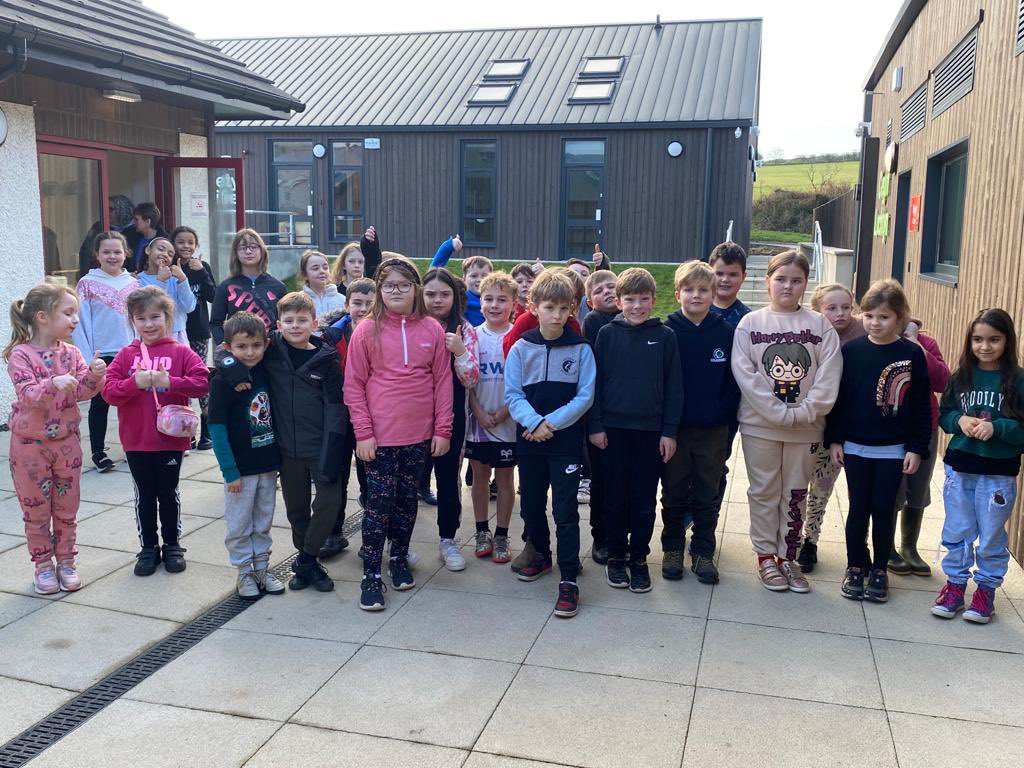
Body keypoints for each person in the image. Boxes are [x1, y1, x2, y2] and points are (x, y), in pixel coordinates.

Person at [345, 256, 453, 611]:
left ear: (415, 289)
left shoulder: (432, 329)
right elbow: (353, 386)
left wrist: (443, 429)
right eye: (389, 285)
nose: (396, 291)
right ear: (379, 289)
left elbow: (442, 381)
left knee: (407, 503)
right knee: (378, 506)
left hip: (419, 436)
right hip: (379, 438)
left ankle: (398, 557)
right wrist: (363, 433)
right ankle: (371, 574)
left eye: (404, 285)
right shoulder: (366, 330)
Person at [731, 250, 842, 593]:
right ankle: (766, 556)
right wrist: (778, 412)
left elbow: (829, 374)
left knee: (794, 493)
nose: (788, 286)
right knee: (764, 490)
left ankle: (787, 556)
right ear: (768, 281)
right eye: (780, 279)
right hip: (760, 427)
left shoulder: (820, 326)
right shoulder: (750, 324)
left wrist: (805, 412)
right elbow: (746, 375)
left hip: (806, 428)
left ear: (806, 284)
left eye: (796, 280)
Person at [223, 291, 348, 593]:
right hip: (286, 449)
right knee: (296, 510)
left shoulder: (326, 359)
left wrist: (334, 448)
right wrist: (232, 368)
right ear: (278, 325)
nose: (295, 326)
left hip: (320, 445)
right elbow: (231, 349)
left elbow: (335, 408)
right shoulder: (272, 349)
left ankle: (306, 559)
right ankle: (309, 564)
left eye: (301, 320)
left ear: (314, 324)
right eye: (288, 320)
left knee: (329, 502)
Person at [825, 279, 931, 603]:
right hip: (855, 447)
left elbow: (921, 405)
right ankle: (856, 565)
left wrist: (916, 447)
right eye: (869, 315)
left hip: (893, 450)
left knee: (884, 510)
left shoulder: (911, 354)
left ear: (900, 317)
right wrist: (835, 440)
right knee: (858, 508)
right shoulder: (851, 351)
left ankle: (880, 570)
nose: (875, 323)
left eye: (884, 317)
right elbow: (839, 400)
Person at [505, 270, 595, 618]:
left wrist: (549, 424)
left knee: (565, 510)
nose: (556, 315)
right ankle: (540, 553)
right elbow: (513, 395)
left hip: (565, 442)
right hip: (530, 441)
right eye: (549, 307)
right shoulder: (521, 347)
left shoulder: (581, 349)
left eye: (563, 308)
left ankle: (569, 577)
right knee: (530, 504)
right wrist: (534, 423)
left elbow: (585, 396)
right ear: (533, 307)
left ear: (572, 308)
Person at [6, 284, 107, 594]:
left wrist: (94, 375)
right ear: (43, 317)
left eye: (76, 313)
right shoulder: (20, 355)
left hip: (67, 444)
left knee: (66, 509)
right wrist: (53, 382)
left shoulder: (72, 353)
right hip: (29, 449)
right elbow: (28, 395)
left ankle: (66, 561)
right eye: (68, 313)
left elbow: (83, 392)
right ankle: (43, 566)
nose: (75, 319)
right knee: (36, 510)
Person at [102, 287, 209, 576]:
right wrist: (133, 383)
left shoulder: (181, 351)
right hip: (136, 440)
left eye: (155, 317)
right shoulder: (126, 355)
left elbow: (202, 383)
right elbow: (109, 392)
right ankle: (148, 547)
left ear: (167, 317)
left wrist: (171, 382)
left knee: (168, 493)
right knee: (145, 495)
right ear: (132, 321)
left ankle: (172, 545)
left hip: (170, 439)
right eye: (141, 318)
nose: (148, 324)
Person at [588, 268, 681, 593]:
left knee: (643, 500)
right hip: (612, 431)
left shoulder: (665, 337)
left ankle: (638, 558)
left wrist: (669, 431)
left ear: (654, 300)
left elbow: (674, 388)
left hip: (650, 434)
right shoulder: (606, 335)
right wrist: (596, 425)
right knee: (614, 498)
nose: (637, 306)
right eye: (630, 299)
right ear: (619, 301)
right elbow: (594, 384)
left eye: (643, 299)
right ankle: (616, 556)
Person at [932, 308, 1024, 624]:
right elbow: (944, 414)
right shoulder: (961, 376)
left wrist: (998, 428)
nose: (985, 346)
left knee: (991, 534)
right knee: (957, 528)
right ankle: (955, 586)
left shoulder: (1018, 380)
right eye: (978, 339)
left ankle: (985, 591)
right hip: (960, 468)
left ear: (1007, 341)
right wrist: (959, 420)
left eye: (993, 339)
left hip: (998, 473)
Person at [661, 261, 739, 584]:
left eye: (703, 290)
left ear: (713, 293)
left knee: (707, 493)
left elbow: (733, 384)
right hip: (676, 430)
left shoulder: (726, 332)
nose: (696, 295)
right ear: (677, 293)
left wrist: (723, 420)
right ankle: (672, 548)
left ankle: (703, 550)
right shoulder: (666, 332)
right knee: (674, 492)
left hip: (712, 430)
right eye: (689, 289)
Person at [207, 311, 287, 600]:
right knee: (239, 523)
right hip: (240, 470)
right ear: (228, 347)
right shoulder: (222, 381)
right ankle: (244, 572)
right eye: (241, 347)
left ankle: (262, 568)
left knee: (263, 520)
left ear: (265, 344)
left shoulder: (267, 368)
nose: (250, 352)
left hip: (267, 464)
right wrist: (229, 471)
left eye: (256, 345)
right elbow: (217, 429)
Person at [796, 283, 867, 573]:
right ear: (817, 310)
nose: (840, 314)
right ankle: (792, 535)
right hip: (809, 423)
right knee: (798, 485)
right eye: (832, 308)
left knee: (822, 487)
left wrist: (911, 327)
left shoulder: (862, 330)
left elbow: (893, 319)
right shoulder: (809, 332)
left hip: (842, 428)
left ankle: (810, 540)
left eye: (846, 307)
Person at [421, 267, 479, 571]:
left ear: (455, 297)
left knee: (447, 478)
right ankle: (397, 542)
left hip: (452, 415)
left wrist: (459, 352)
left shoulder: (465, 329)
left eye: (444, 294)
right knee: (406, 478)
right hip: (411, 415)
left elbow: (471, 379)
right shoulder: (410, 325)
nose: (437, 300)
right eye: (430, 294)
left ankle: (448, 538)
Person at [319, 277, 376, 558]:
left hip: (371, 415)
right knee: (336, 475)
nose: (362, 309)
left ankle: (373, 536)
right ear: (346, 305)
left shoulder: (382, 333)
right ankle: (334, 532)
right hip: (338, 415)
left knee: (371, 477)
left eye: (369, 304)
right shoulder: (331, 335)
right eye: (357, 303)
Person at [72, 231, 139, 472]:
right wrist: (87, 358)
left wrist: (140, 348)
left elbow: (138, 320)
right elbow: (80, 323)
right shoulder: (86, 283)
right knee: (100, 404)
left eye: (117, 251)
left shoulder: (134, 283)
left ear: (125, 253)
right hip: (101, 355)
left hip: (129, 352)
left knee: (131, 403)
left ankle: (132, 446)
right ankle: (98, 452)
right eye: (106, 252)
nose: (112, 256)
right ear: (97, 254)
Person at [888, 316, 949, 576]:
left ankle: (909, 547)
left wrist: (917, 345)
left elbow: (942, 381)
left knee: (919, 485)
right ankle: (887, 546)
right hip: (891, 428)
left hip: (925, 426)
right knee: (892, 488)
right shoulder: (882, 341)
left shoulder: (926, 343)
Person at [466, 271, 517, 564]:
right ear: (480, 301)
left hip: (508, 421)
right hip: (479, 422)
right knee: (480, 477)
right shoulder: (472, 335)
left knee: (506, 479)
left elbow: (523, 381)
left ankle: (502, 535)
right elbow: (467, 380)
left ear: (513, 303)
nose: (495, 305)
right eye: (489, 299)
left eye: (502, 299)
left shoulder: (518, 337)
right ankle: (482, 531)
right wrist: (476, 410)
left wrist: (505, 410)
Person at [579, 268, 618, 563]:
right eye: (600, 290)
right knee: (603, 482)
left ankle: (619, 535)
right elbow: (594, 373)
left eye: (612, 286)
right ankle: (601, 537)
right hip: (602, 413)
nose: (608, 292)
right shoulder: (594, 321)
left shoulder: (633, 317)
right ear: (590, 301)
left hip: (629, 416)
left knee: (623, 483)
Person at [171, 226, 217, 451]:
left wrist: (202, 273)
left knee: (200, 378)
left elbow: (213, 296)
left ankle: (206, 433)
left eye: (190, 242)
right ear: (173, 244)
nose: (186, 246)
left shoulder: (202, 266)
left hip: (198, 332)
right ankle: (186, 431)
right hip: (176, 333)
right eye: (181, 242)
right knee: (181, 381)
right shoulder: (169, 269)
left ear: (196, 245)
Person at [210, 229, 287, 346]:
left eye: (253, 247)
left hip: (272, 349)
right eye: (242, 248)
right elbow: (215, 323)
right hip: (238, 350)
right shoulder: (225, 287)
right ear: (235, 253)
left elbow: (285, 321)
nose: (248, 251)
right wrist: (227, 347)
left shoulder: (278, 287)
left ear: (262, 251)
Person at [137, 237, 197, 345]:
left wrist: (183, 280)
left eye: (170, 254)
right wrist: (161, 281)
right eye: (160, 249)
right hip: (150, 336)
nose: (165, 254)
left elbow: (189, 307)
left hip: (177, 336)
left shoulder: (175, 279)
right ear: (148, 250)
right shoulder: (138, 280)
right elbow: (149, 307)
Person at [708, 241, 751, 327]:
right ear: (709, 273)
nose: (725, 280)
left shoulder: (748, 319)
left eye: (733, 274)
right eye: (719, 274)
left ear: (743, 277)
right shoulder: (697, 312)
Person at [301, 250, 347, 319]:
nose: (322, 271)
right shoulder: (299, 301)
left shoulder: (342, 300)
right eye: (315, 268)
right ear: (304, 275)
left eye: (325, 268)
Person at [126, 202, 169, 273]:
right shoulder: (130, 236)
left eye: (136, 219)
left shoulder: (166, 241)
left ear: (147, 222)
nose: (133, 222)